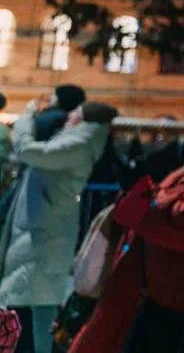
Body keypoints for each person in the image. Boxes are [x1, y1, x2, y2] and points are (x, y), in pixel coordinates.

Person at [67, 103, 184, 353]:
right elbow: (129, 214)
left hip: (170, 307)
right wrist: (140, 193)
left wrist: (147, 201)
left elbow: (183, 231)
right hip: (135, 292)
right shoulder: (179, 175)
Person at [0, 100, 114, 353]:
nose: (69, 115)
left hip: (44, 238)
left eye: (76, 111)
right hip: (41, 235)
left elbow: (28, 150)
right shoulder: (75, 141)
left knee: (38, 308)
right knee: (36, 307)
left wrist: (26, 118)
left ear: (83, 117)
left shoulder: (78, 144)